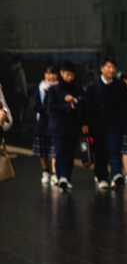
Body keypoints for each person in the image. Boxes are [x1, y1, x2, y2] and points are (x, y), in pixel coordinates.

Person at [83, 57, 127, 189]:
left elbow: (125, 105)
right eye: (108, 67)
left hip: (115, 124)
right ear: (102, 69)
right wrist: (84, 123)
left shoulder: (120, 85)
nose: (111, 70)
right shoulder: (93, 86)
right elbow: (86, 105)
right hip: (97, 125)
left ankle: (116, 175)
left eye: (113, 67)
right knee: (100, 152)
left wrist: (125, 123)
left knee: (114, 149)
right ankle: (101, 176)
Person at [46, 61, 86, 191]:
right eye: (67, 74)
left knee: (70, 154)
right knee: (59, 152)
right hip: (58, 128)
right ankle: (61, 177)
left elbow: (83, 102)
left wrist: (74, 100)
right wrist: (68, 105)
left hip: (73, 127)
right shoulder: (54, 89)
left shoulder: (77, 88)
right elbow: (51, 106)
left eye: (72, 75)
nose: (70, 78)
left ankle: (66, 178)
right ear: (62, 73)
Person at [33, 66, 59, 185]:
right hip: (43, 123)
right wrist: (47, 109)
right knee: (43, 149)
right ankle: (46, 171)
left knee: (54, 149)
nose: (51, 76)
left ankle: (55, 173)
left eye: (53, 74)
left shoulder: (59, 88)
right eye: (48, 74)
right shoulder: (40, 88)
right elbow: (36, 106)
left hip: (55, 123)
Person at [8, 57, 26, 129]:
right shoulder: (20, 69)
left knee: (12, 107)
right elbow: (23, 81)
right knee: (18, 109)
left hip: (11, 91)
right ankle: (17, 124)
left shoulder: (10, 69)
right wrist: (25, 92)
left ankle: (12, 124)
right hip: (18, 91)